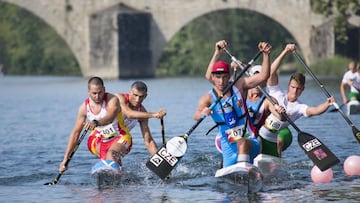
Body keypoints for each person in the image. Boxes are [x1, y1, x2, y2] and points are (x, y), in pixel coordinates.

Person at [195, 40, 272, 167]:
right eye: (218, 77)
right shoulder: (208, 98)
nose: (221, 81)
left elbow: (263, 76)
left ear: (229, 76)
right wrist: (203, 112)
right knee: (229, 167)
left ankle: (243, 172)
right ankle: (238, 169)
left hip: (249, 139)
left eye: (225, 77)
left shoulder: (240, 85)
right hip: (228, 146)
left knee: (243, 142)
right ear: (213, 78)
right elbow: (196, 115)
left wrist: (266, 55)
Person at [257, 43, 336, 158]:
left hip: (272, 138)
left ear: (303, 89)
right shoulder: (277, 92)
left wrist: (327, 104)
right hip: (258, 133)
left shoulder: (299, 107)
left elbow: (314, 110)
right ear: (289, 85)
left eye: (298, 89)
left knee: (278, 145)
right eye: (293, 87)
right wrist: (285, 51)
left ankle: (278, 159)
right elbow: (271, 73)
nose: (294, 91)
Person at [59, 76, 131, 173]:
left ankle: (115, 174)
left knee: (111, 154)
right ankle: (117, 174)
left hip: (120, 136)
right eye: (94, 93)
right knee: (108, 157)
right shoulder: (84, 108)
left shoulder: (112, 100)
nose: (97, 97)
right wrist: (66, 159)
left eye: (100, 92)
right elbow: (76, 133)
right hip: (99, 139)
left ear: (104, 90)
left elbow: (109, 117)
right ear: (88, 91)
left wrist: (96, 123)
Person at [115, 81, 166, 156]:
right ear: (130, 92)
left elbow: (148, 140)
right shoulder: (119, 98)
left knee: (115, 158)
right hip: (101, 136)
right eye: (135, 95)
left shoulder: (142, 112)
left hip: (119, 140)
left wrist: (159, 158)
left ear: (145, 96)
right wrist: (154, 114)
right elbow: (129, 114)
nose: (137, 99)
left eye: (141, 96)